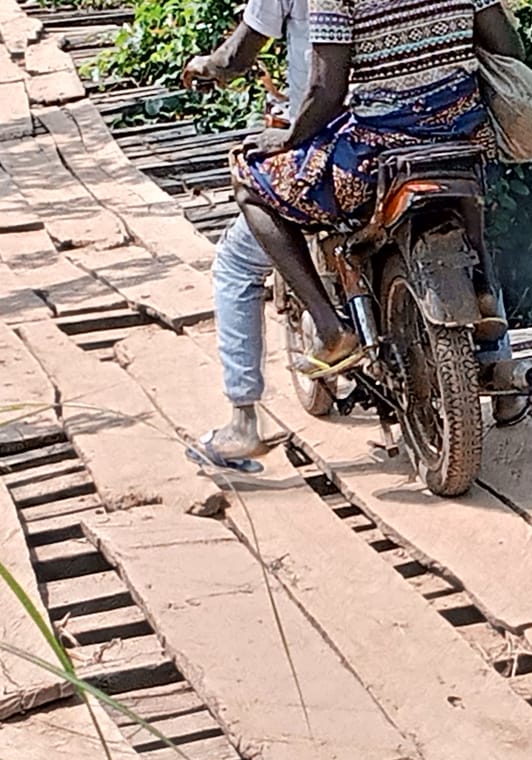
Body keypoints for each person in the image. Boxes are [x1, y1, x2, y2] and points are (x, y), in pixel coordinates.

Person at [230, 0, 524, 377]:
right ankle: (483, 287)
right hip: (464, 137)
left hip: (379, 153)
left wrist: (288, 137)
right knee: (468, 182)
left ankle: (331, 329)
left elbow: (325, 89)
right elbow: (508, 49)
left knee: (249, 181)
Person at [181, 0, 311, 467]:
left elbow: (239, 56)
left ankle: (241, 421)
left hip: (337, 140)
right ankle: (500, 369)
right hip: (440, 133)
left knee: (236, 262)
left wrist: (207, 67)